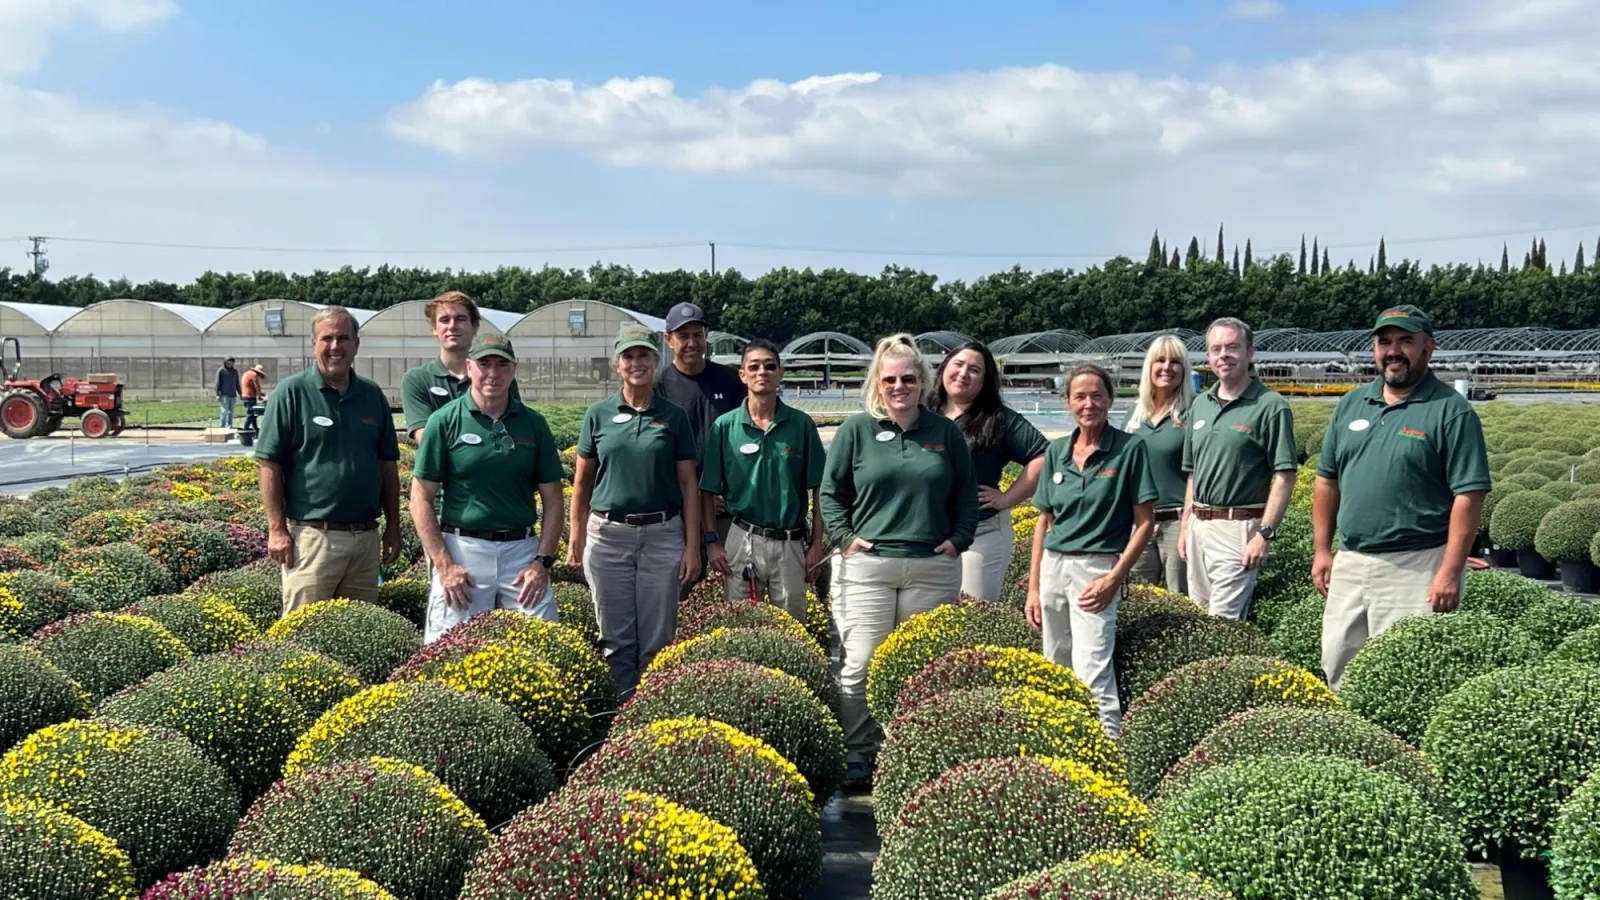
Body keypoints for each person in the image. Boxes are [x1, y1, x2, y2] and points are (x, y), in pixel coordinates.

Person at [821, 333, 979, 787]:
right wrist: (847, 538)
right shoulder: (857, 430)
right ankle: (858, 753)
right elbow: (831, 493)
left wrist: (959, 540)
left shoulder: (944, 432)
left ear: (923, 381)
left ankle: (905, 754)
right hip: (868, 567)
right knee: (862, 662)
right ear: (877, 382)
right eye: (889, 378)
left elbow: (965, 494)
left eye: (908, 377)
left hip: (931, 567)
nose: (899, 386)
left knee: (918, 666)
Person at [1314, 305, 1490, 691]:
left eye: (1405, 341)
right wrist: (1323, 550)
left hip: (1416, 565)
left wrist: (1449, 570)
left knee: (1405, 677)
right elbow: (1327, 481)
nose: (1393, 351)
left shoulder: (1451, 411)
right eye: (1384, 342)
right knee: (1337, 663)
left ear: (1429, 348)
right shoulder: (1352, 403)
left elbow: (1469, 494)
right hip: (1352, 561)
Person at [568, 321, 702, 697]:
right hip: (608, 537)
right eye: (629, 356)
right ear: (617, 364)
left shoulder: (673, 416)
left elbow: (689, 485)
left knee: (659, 640)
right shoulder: (598, 414)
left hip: (662, 537)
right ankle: (619, 719)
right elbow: (582, 481)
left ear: (656, 361)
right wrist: (575, 535)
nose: (636, 363)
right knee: (615, 639)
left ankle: (649, 714)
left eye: (644, 355)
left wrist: (692, 546)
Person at [1026, 363, 1156, 738]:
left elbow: (1144, 522)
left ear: (1110, 400)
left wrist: (1115, 578)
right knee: (1055, 664)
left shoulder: (1130, 449)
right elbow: (1043, 523)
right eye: (1079, 396)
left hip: (1097, 568)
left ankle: (1107, 753)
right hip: (1053, 567)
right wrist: (1034, 588)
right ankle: (1060, 745)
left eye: (1097, 396)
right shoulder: (1056, 453)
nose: (1089, 404)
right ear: (1067, 402)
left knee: (1093, 668)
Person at [410, 333, 566, 644]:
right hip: (463, 551)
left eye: (501, 365)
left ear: (513, 370)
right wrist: (445, 565)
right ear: (469, 368)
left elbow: (554, 499)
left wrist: (542, 562)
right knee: (448, 649)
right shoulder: (444, 421)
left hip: (521, 552)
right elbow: (420, 499)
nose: (493, 373)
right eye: (484, 364)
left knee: (545, 643)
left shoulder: (533, 424)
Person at [255, 307, 401, 613]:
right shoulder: (292, 393)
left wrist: (393, 527)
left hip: (365, 539)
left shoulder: (372, 395)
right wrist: (277, 529)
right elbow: (270, 465)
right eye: (327, 338)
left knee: (358, 629)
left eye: (344, 338)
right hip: (312, 538)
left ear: (356, 344)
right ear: (314, 343)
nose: (336, 346)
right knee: (303, 633)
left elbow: (387, 465)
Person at [1179, 317, 1297, 620]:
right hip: (1198, 527)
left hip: (1238, 529)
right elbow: (1193, 473)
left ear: (1250, 353)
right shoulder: (1200, 405)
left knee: (1222, 623)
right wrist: (1185, 527)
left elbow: (1284, 476)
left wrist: (1264, 534)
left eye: (1232, 347)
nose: (1224, 355)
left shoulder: (1271, 405)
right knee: (1198, 617)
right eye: (1216, 349)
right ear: (1207, 357)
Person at [701, 339, 827, 621]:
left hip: (790, 541)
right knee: (741, 624)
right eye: (754, 366)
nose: (762, 372)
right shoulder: (725, 426)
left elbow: (820, 488)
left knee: (793, 625)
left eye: (770, 366)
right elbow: (707, 490)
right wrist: (711, 540)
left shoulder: (801, 425)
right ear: (742, 375)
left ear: (780, 373)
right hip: (742, 538)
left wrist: (816, 543)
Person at [933, 341, 1047, 601]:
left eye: (974, 370)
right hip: (929, 533)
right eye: (958, 365)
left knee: (972, 612)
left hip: (980, 534)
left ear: (985, 381)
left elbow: (1043, 456)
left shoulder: (997, 419)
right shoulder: (923, 413)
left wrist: (1007, 498)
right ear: (944, 368)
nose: (963, 373)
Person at [656, 301, 747, 556]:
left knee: (731, 588)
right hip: (678, 512)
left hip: (727, 510)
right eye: (683, 336)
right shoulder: (658, 387)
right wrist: (694, 499)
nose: (692, 343)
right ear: (668, 340)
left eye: (698, 335)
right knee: (682, 587)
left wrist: (722, 496)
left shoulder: (730, 380)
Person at [1126, 334, 1196, 594]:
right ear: (1149, 366)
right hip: (1138, 523)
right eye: (1160, 360)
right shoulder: (1134, 415)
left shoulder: (1194, 411)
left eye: (1175, 361)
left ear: (1184, 369)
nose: (1167, 367)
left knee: (1181, 599)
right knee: (1136, 598)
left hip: (1178, 522)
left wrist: (1187, 524)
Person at [401, 290, 519, 443]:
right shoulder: (417, 379)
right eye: (444, 320)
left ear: (475, 326)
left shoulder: (496, 378)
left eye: (460, 319)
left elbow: (515, 427)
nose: (452, 326)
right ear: (434, 329)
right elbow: (426, 438)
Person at [216, 357, 241, 428]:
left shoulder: (235, 371)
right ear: (225, 363)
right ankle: (222, 425)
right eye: (228, 363)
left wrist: (240, 393)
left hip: (233, 395)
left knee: (231, 411)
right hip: (224, 395)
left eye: (232, 363)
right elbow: (218, 383)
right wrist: (217, 394)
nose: (230, 364)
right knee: (224, 411)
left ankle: (229, 425)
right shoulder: (221, 371)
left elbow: (237, 383)